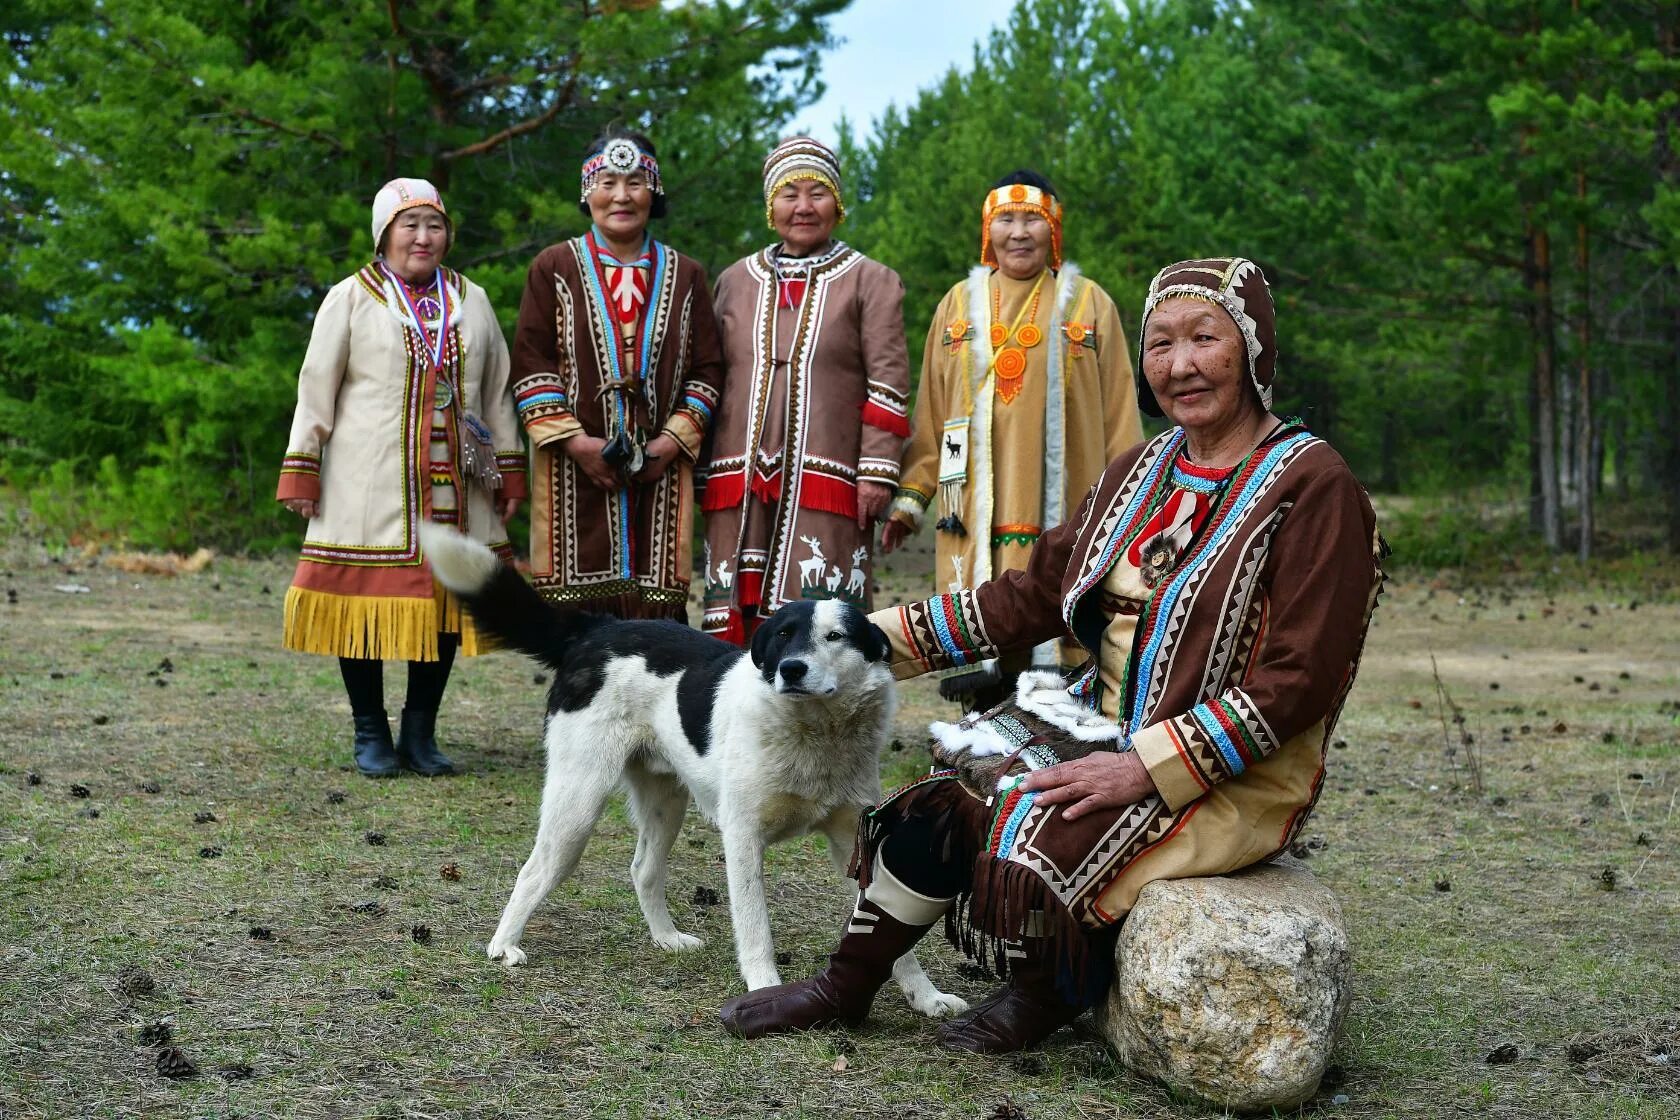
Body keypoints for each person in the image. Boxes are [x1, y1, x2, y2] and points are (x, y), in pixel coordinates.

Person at [721, 257, 1385, 1053]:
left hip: (1229, 767)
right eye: (1161, 343)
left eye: (1205, 338)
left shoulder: (1313, 485)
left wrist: (1145, 766)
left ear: (1252, 349)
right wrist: (872, 639)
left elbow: (1299, 679)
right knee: (943, 796)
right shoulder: (1143, 468)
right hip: (1104, 716)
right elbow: (1031, 594)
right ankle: (846, 984)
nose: (1180, 365)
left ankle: (1046, 991)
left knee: (1049, 817)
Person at [278, 177, 526, 778]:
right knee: (359, 605)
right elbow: (317, 385)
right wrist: (302, 466)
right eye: (408, 225)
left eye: (434, 225)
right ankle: (371, 732)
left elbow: (496, 391)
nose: (423, 237)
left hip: (456, 485)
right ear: (384, 234)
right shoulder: (352, 297)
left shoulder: (473, 299)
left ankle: (420, 734)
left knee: (447, 599)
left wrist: (509, 470)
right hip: (366, 482)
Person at [882, 171, 1143, 711]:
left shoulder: (1088, 304)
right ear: (987, 230)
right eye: (1006, 219)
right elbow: (930, 411)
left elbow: (1120, 410)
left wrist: (1137, 504)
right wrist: (911, 498)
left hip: (1071, 503)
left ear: (1053, 230)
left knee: (1060, 630)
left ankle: (1054, 742)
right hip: (971, 507)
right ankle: (978, 739)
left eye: (1032, 219)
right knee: (983, 630)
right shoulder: (956, 305)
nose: (1018, 232)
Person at [699, 137, 911, 643]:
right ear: (770, 206)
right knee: (735, 604)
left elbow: (889, 380)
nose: (803, 206)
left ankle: (819, 714)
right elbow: (710, 375)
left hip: (828, 471)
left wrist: (877, 472)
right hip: (741, 471)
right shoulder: (734, 280)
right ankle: (735, 714)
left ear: (837, 204)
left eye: (817, 193)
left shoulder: (871, 281)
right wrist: (702, 466)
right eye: (788, 194)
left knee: (820, 617)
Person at [510, 130, 725, 619]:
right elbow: (531, 362)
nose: (622, 196)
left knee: (656, 626)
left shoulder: (686, 274)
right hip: (571, 470)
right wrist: (575, 443)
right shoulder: (553, 267)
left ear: (655, 191)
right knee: (574, 627)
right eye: (608, 182)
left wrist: (670, 443)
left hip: (662, 469)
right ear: (588, 192)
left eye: (635, 182)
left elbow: (707, 369)